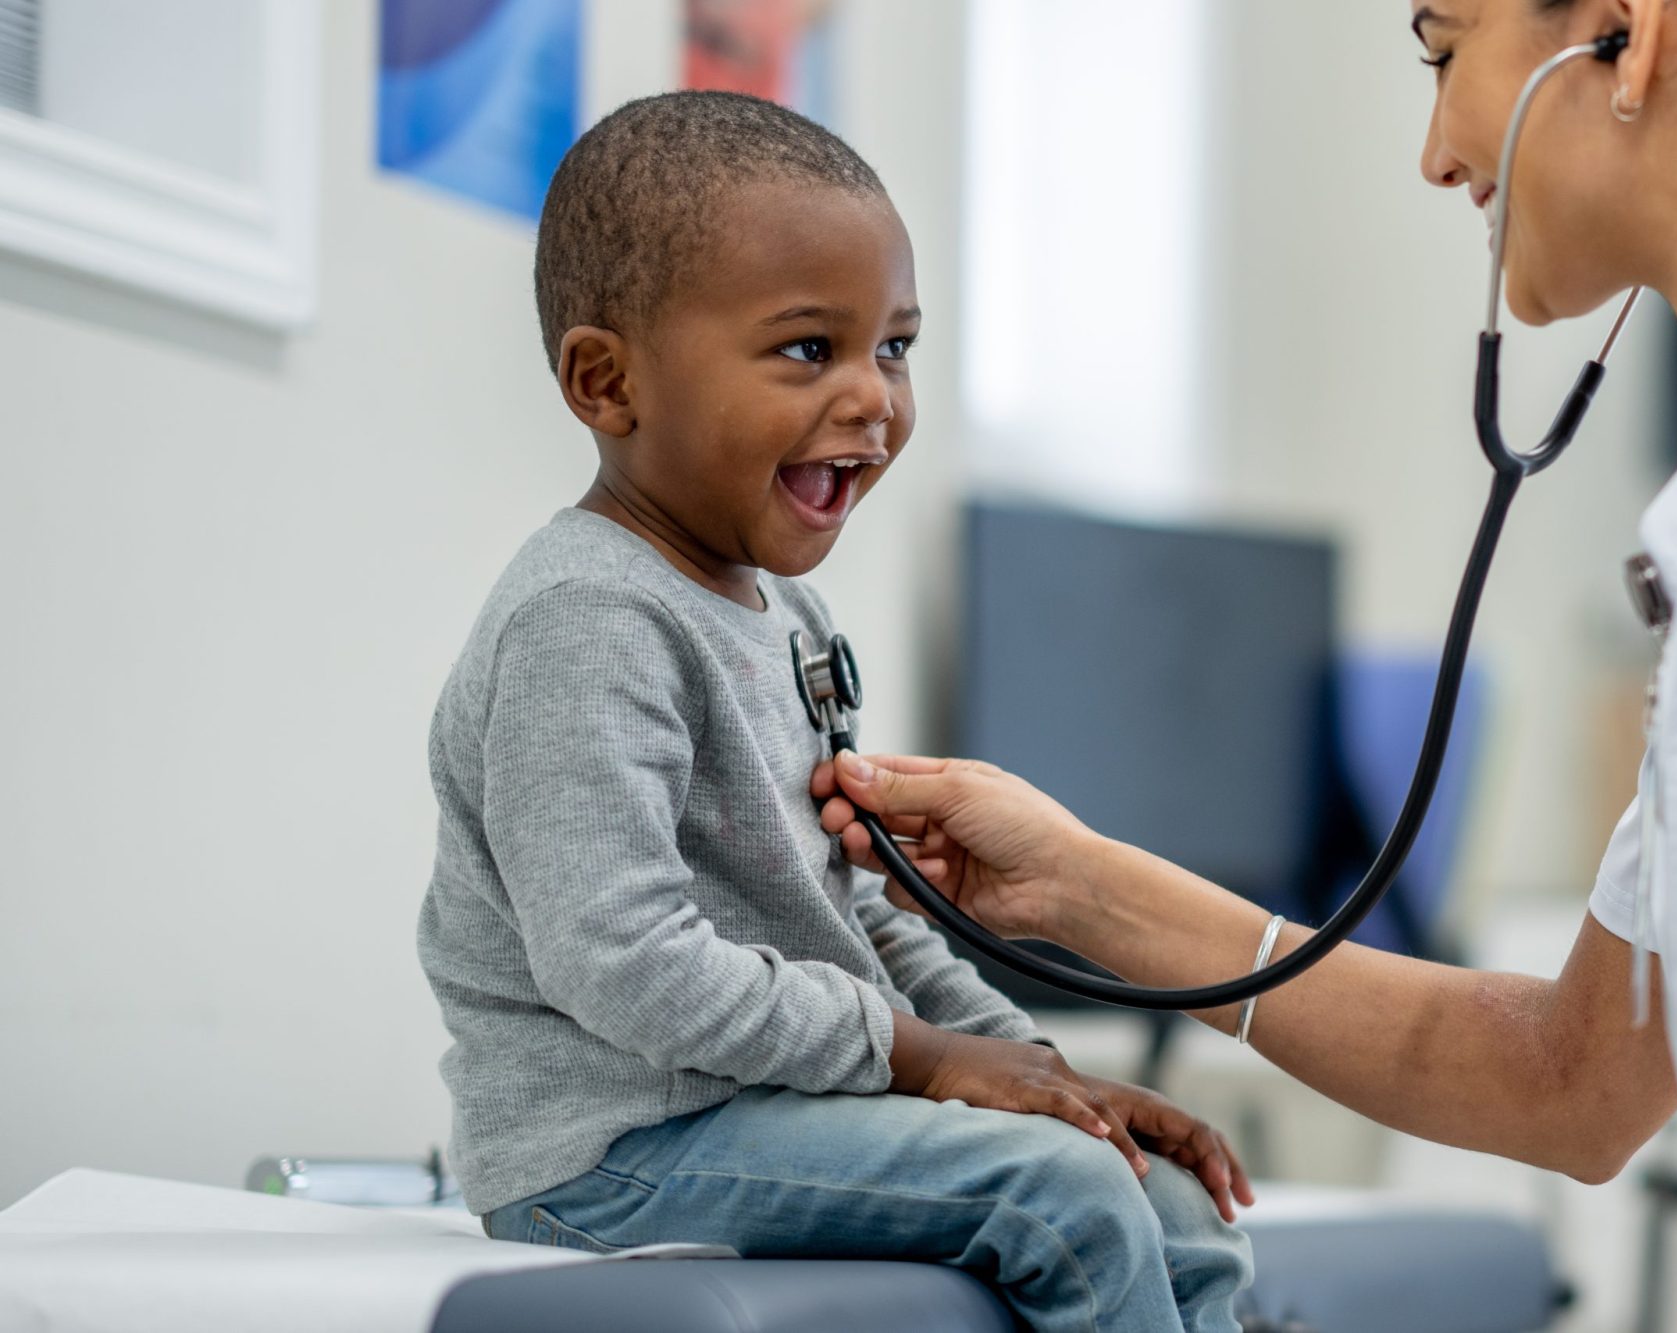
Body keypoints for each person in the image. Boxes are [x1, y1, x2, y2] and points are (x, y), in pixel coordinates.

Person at [815, 2, 1677, 1329]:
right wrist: (1076, 885)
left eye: (1444, 53)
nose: (1434, 155)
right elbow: (1572, 1077)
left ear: (1620, 30)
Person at [415, 91, 1252, 1333]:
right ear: (607, 381)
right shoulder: (587, 619)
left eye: (895, 348)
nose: (874, 398)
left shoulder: (788, 622)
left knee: (1161, 1193)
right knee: (1064, 1195)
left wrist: (1049, 1077)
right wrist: (927, 1063)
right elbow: (622, 963)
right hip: (612, 1152)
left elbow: (861, 914)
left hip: (768, 1105)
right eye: (810, 349)